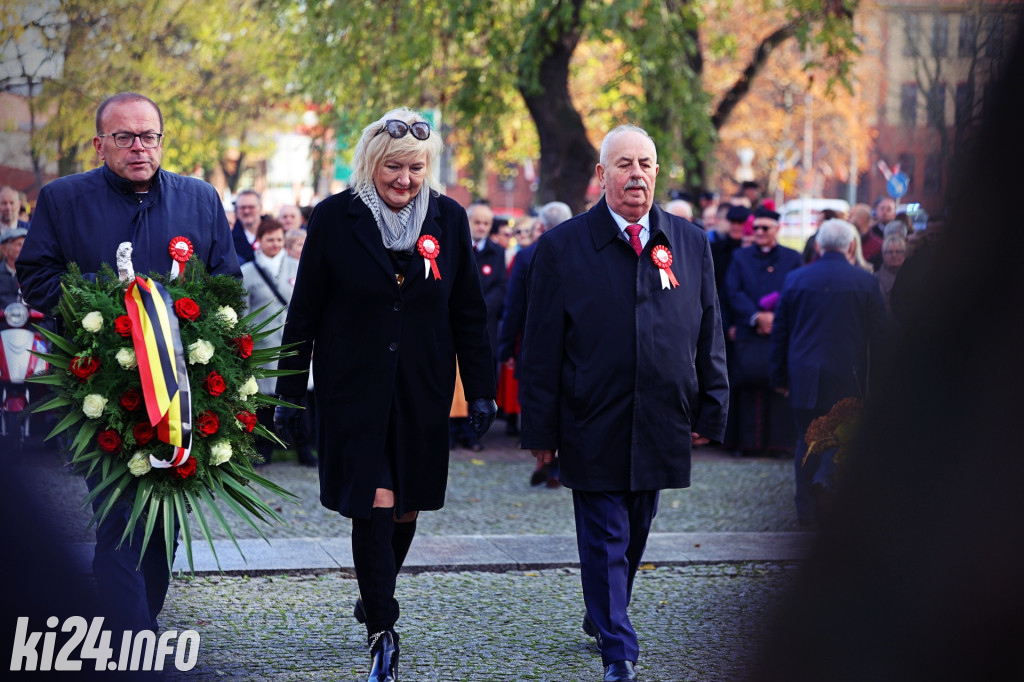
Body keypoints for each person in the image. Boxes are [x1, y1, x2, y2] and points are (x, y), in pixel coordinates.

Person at [272, 107, 496, 682]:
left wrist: (481, 391)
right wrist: (289, 394)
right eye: (394, 166)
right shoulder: (333, 218)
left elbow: (469, 313)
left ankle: (373, 594)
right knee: (373, 503)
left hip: (422, 390)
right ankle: (383, 629)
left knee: (406, 506)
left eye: (416, 168)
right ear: (372, 163)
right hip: (354, 391)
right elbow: (304, 316)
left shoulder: (448, 219)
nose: (404, 179)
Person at [16, 91, 240, 637]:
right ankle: (133, 640)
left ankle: (143, 622)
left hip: (184, 391)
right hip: (102, 388)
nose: (139, 147)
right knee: (117, 516)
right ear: (99, 144)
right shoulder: (62, 198)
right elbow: (36, 274)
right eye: (125, 137)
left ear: (162, 139)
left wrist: (192, 319)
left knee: (163, 522)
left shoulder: (201, 198)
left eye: (149, 136)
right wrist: (110, 303)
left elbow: (228, 280)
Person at [519, 124, 729, 682]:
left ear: (657, 172)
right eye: (625, 164)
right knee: (605, 534)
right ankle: (619, 649)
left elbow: (709, 330)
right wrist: (540, 429)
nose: (637, 175)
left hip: (662, 416)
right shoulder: (562, 248)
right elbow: (539, 346)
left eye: (646, 164)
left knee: (635, 531)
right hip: (591, 418)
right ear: (602, 174)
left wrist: (711, 406)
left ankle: (603, 612)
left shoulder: (689, 243)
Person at [769, 219, 888, 526]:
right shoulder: (865, 282)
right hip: (848, 376)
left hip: (804, 377)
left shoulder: (796, 279)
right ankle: (828, 482)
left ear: (819, 246)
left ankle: (806, 510)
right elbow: (882, 335)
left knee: (805, 441)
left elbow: (780, 333)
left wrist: (779, 377)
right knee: (842, 441)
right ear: (851, 246)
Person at [496, 200, 572, 482]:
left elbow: (513, 305)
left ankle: (546, 461)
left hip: (535, 341)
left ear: (541, 225)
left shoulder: (527, 256)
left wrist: (505, 347)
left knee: (540, 399)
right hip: (574, 344)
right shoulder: (583, 252)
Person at [722, 206, 802, 457]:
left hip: (779, 334)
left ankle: (779, 445)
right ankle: (748, 445)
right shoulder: (741, 258)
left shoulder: (792, 257)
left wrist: (775, 318)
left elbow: (796, 291)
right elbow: (732, 291)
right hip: (750, 333)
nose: (759, 232)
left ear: (777, 229)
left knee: (778, 389)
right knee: (747, 389)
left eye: (764, 228)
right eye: (755, 228)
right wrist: (756, 317)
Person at [240, 217, 301, 465]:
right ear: (260, 241)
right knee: (263, 400)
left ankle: (298, 446)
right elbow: (243, 311)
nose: (275, 244)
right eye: (270, 239)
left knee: (294, 395)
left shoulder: (297, 266)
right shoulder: (248, 272)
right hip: (263, 345)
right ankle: (263, 448)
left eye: (279, 239)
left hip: (292, 343)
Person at [451, 201, 506, 450]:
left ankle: (473, 433)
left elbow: (500, 287)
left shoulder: (497, 252)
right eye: (477, 222)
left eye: (486, 223)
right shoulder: (456, 247)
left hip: (486, 326)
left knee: (481, 375)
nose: (482, 227)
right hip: (457, 325)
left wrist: (478, 308)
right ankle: (453, 429)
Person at [875, 234, 906, 314]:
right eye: (890, 252)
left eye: (898, 252)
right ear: (883, 254)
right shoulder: (874, 280)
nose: (894, 255)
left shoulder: (913, 278)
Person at [231, 188, 263, 264]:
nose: (246, 211)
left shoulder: (274, 232)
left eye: (251, 207)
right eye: (242, 207)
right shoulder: (228, 237)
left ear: (260, 208)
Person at [0, 227, 27, 308]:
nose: (24, 248)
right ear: (4, 249)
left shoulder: (33, 275)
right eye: (19, 244)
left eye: (25, 244)